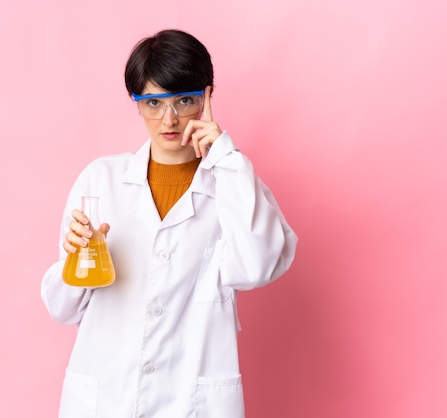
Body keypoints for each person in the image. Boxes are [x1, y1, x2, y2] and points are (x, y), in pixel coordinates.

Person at [41, 29, 297, 418]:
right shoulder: (101, 181)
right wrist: (75, 260)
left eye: (185, 101)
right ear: (136, 103)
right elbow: (62, 308)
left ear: (207, 98)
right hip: (106, 397)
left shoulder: (233, 185)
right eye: (153, 103)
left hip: (190, 403)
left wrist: (225, 156)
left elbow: (256, 268)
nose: (170, 119)